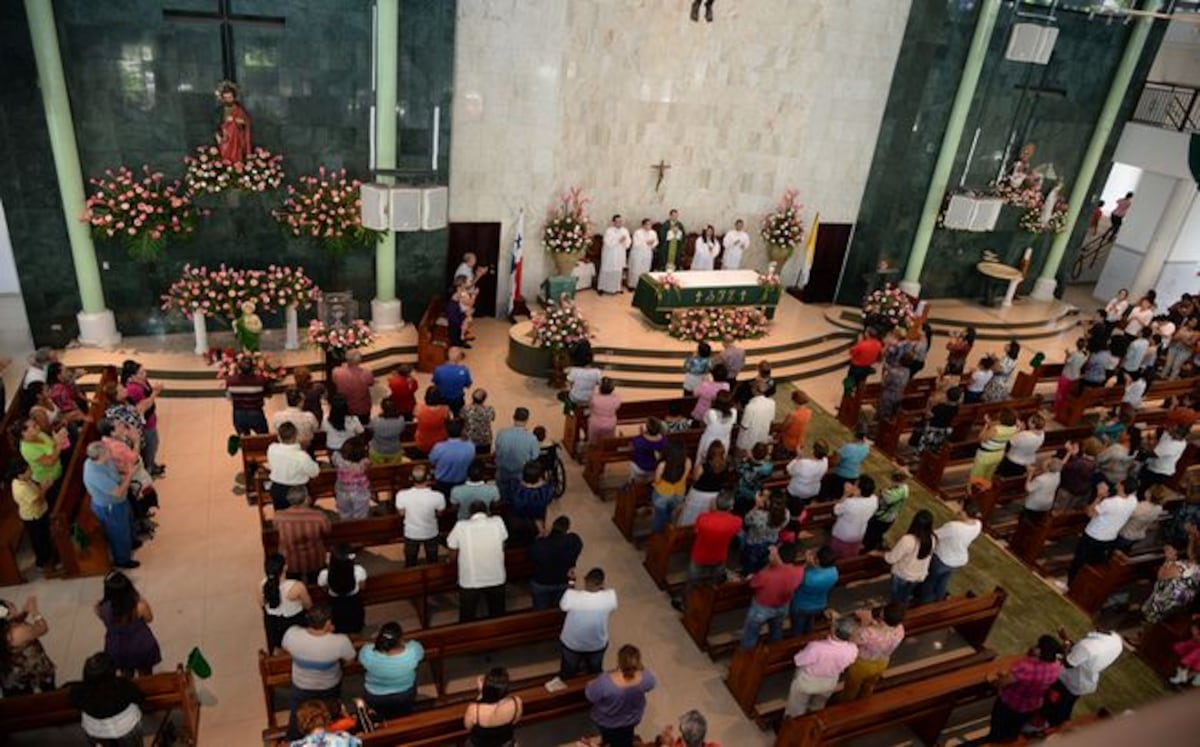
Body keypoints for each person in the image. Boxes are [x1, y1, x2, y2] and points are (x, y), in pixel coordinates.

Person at [282, 605, 356, 739]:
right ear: (328, 623)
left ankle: (294, 738)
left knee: (298, 716)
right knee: (330, 713)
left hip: (301, 685)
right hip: (329, 686)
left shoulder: (292, 633)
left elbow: (286, 648)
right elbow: (350, 660)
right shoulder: (340, 641)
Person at [980, 635, 1064, 743]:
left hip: (1010, 704)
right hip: (1031, 706)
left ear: (1041, 651)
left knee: (997, 731)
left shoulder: (1027, 666)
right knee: (1012, 731)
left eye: (1038, 645)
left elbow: (1003, 683)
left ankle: (991, 742)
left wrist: (993, 680)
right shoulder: (1057, 667)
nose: (1034, 646)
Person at [673, 494, 741, 611]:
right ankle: (704, 603)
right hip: (719, 556)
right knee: (712, 582)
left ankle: (684, 602)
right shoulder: (736, 521)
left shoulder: (704, 518)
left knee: (693, 581)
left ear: (715, 504)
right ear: (731, 507)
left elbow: (696, 531)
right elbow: (736, 533)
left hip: (700, 555)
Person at [1043, 628, 1123, 727]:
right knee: (1067, 704)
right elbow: (1080, 654)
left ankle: (1054, 725)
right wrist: (1066, 639)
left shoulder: (1087, 646)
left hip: (1072, 680)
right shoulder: (1117, 640)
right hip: (1086, 681)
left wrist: (1067, 643)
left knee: (1060, 705)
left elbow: (1068, 663)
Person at [784, 615, 858, 717]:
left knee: (796, 708)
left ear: (833, 629)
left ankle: (791, 727)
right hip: (828, 683)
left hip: (807, 682)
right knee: (817, 707)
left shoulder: (816, 647)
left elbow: (798, 661)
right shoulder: (853, 649)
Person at [1068, 477, 1139, 584]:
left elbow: (1090, 513)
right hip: (1109, 537)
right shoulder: (1133, 501)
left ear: (1121, 486)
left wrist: (1099, 497)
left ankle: (1070, 584)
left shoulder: (1110, 502)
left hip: (1094, 535)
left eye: (1120, 482)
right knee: (1093, 563)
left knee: (1079, 561)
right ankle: (1083, 585)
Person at [584, 644, 657, 747]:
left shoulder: (605, 682)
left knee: (609, 738)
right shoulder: (645, 678)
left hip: (608, 722)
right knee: (626, 736)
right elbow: (652, 684)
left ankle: (608, 743)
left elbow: (590, 695)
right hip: (631, 718)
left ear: (619, 662)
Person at [68, 652, 145, 747]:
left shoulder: (78, 691)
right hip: (126, 728)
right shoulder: (123, 686)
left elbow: (74, 702)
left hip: (96, 732)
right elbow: (140, 698)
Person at [448, 502, 509, 622]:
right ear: (487, 512)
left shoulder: (461, 526)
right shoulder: (498, 522)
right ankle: (498, 632)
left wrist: (452, 560)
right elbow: (503, 543)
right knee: (498, 613)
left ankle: (467, 635)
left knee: (467, 615)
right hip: (496, 576)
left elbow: (452, 547)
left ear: (470, 513)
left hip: (470, 580)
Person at [82, 442, 138, 569]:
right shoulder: (95, 473)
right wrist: (130, 474)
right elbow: (117, 492)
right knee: (118, 532)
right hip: (110, 506)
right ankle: (122, 560)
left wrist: (124, 470)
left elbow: (114, 470)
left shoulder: (102, 460)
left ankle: (132, 542)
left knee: (128, 521)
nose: (111, 451)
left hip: (120, 502)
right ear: (101, 456)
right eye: (108, 451)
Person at [95, 571, 161, 677]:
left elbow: (105, 620)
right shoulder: (139, 607)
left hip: (117, 646)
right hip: (141, 645)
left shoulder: (99, 607)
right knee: (145, 675)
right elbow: (149, 618)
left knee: (126, 674)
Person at [740, 545, 804, 649]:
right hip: (783, 606)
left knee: (751, 634)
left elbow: (753, 584)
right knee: (776, 631)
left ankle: (745, 657)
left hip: (762, 608)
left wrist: (769, 564)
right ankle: (774, 651)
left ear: (778, 556)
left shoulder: (765, 574)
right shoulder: (799, 571)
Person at [559, 567, 618, 679]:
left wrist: (571, 582)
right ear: (602, 584)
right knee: (595, 670)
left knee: (568, 671)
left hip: (572, 644)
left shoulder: (571, 596)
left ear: (585, 581)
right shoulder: (610, 597)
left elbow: (563, 606)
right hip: (596, 645)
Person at [918, 502, 982, 604]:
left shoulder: (954, 526)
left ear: (965, 513)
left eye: (961, 510)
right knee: (944, 580)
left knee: (930, 580)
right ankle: (939, 598)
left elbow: (936, 535)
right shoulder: (978, 524)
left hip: (943, 558)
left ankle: (925, 601)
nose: (958, 511)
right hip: (958, 559)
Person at [840, 603, 906, 701]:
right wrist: (871, 621)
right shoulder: (900, 630)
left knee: (851, 688)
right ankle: (864, 701)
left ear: (882, 614)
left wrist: (864, 623)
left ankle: (847, 707)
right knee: (869, 685)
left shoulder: (868, 633)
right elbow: (883, 630)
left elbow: (853, 640)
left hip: (862, 664)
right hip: (882, 662)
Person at [358, 622, 424, 719]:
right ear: (401, 639)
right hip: (405, 693)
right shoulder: (413, 649)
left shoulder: (367, 651)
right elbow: (420, 656)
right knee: (403, 715)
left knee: (379, 717)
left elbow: (361, 661)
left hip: (375, 696)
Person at [0, 595, 55, 694]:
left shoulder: (3, 628)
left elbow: (12, 620)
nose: (14, 606)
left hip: (9, 670)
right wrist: (34, 611)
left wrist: (25, 612)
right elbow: (42, 628)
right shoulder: (17, 632)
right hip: (28, 670)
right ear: (8, 613)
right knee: (46, 691)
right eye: (11, 605)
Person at [393, 464, 446, 566]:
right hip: (430, 531)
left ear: (411, 478)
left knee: (410, 561)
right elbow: (440, 513)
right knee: (433, 560)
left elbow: (401, 513)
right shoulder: (438, 496)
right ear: (428, 478)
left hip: (411, 532)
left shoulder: (401, 495)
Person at [274, 491, 332, 583]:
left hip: (290, 561)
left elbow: (276, 529)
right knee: (317, 580)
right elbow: (327, 531)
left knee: (293, 582)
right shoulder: (319, 516)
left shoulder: (279, 516)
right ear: (306, 499)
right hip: (315, 559)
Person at [8, 458, 56, 571]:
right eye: (28, 470)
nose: (31, 470)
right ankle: (42, 563)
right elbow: (38, 501)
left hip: (40, 512)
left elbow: (36, 491)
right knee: (39, 541)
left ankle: (49, 556)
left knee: (44, 536)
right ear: (20, 474)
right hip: (33, 517)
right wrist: (45, 488)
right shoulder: (21, 488)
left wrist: (42, 486)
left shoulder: (23, 479)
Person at [261, 552, 312, 653]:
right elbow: (309, 605)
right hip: (294, 623)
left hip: (273, 625)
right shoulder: (297, 586)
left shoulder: (261, 586)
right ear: (285, 568)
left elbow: (262, 605)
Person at [529, 516, 583, 609]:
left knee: (540, 609)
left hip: (541, 582)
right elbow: (577, 541)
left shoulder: (539, 545)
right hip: (563, 581)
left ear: (552, 528)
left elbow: (530, 555)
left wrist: (539, 537)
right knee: (559, 607)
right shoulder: (573, 542)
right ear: (567, 529)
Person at [883, 509, 935, 605]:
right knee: (906, 594)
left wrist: (882, 554)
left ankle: (895, 608)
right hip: (918, 575)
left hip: (902, 574)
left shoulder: (908, 540)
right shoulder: (933, 538)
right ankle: (903, 606)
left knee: (896, 596)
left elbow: (891, 559)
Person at [122, 362, 165, 477]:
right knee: (151, 445)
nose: (145, 374)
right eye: (141, 372)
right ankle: (149, 469)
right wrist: (155, 393)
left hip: (151, 419)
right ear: (132, 376)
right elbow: (142, 408)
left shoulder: (142, 381)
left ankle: (152, 464)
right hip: (145, 424)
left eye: (144, 371)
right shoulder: (133, 389)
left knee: (154, 444)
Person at [1143, 540, 1200, 623]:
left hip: (1167, 604)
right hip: (1182, 603)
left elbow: (1160, 576)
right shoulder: (1193, 567)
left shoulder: (1182, 567)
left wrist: (1168, 560)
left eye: (1167, 549)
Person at [268, 422, 321, 511]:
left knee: (281, 515)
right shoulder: (302, 456)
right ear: (295, 436)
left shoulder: (272, 448)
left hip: (277, 489)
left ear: (279, 436)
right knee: (301, 517)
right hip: (298, 491)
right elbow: (315, 473)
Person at [464, 667, 523, 746]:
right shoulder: (516, 702)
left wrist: (482, 693)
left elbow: (468, 727)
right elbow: (515, 721)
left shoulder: (474, 709)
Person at [679, 441, 731, 527]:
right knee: (706, 516)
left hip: (699, 494)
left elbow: (695, 478)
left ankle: (686, 529)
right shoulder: (726, 466)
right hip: (714, 496)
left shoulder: (703, 466)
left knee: (691, 515)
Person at [318, 544, 367, 635]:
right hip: (354, 604)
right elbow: (362, 587)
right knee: (355, 627)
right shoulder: (359, 571)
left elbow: (324, 589)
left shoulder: (324, 574)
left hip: (335, 606)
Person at [494, 407, 541, 500]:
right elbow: (535, 456)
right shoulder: (531, 438)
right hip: (520, 474)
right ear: (527, 420)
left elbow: (497, 448)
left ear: (513, 417)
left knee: (502, 495)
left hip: (503, 471)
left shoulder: (501, 433)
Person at [830, 475, 878, 559]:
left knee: (835, 554)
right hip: (859, 533)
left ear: (859, 490)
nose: (853, 486)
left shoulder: (850, 503)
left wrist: (845, 494)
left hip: (843, 534)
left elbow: (836, 511)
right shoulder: (874, 499)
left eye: (855, 485)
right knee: (850, 555)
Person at [862, 469, 909, 552]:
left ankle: (868, 549)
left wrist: (883, 492)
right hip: (892, 517)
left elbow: (886, 499)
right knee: (878, 533)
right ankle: (875, 544)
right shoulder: (905, 488)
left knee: (871, 534)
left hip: (883, 517)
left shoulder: (892, 494)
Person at [969, 409, 1018, 487]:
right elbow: (997, 426)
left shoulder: (996, 429)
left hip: (986, 454)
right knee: (988, 475)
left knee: (977, 475)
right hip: (999, 453)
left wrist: (986, 426)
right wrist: (989, 422)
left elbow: (981, 438)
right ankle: (984, 491)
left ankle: (971, 494)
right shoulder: (1014, 428)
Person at [650, 440, 692, 533]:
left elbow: (657, 480)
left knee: (659, 516)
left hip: (662, 493)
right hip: (679, 492)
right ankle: (667, 533)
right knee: (671, 513)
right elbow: (685, 476)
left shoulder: (663, 464)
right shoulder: (688, 461)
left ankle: (657, 536)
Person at [511, 460, 556, 542]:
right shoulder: (545, 492)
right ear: (539, 477)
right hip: (538, 518)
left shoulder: (516, 487)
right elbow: (550, 494)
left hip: (519, 519)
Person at [430, 420, 477, 497]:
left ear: (446, 432)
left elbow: (432, 461)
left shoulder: (439, 447)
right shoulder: (470, 446)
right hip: (462, 482)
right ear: (462, 431)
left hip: (442, 484)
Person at [1116, 486, 1167, 553]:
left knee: (1116, 551)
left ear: (1149, 494)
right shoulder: (1159, 508)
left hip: (1126, 534)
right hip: (1139, 534)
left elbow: (1124, 515)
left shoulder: (1140, 506)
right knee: (1126, 550)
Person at [694, 391, 736, 471]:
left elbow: (703, 423)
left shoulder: (711, 413)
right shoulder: (734, 412)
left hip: (709, 441)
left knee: (703, 461)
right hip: (724, 442)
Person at [1142, 425, 1189, 493]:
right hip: (1158, 466)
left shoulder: (1173, 445)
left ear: (1177, 435)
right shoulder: (1177, 438)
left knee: (1146, 488)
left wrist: (1148, 443)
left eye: (1173, 430)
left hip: (1159, 471)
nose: (1171, 430)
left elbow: (1153, 454)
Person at [997, 413, 1046, 478]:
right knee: (1017, 477)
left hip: (1014, 460)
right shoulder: (1042, 434)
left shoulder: (1024, 435)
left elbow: (1011, 440)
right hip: (1027, 460)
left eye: (1030, 421)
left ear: (1033, 425)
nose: (1028, 421)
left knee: (1006, 476)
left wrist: (1019, 428)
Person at [330, 350, 374, 420]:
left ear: (346, 359)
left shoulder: (336, 371)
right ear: (360, 361)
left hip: (343, 410)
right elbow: (371, 383)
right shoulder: (367, 373)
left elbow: (334, 381)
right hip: (362, 410)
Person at [829, 425, 870, 498]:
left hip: (841, 476)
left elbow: (835, 462)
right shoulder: (866, 447)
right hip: (854, 476)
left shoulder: (848, 447)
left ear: (855, 433)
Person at [734, 444, 774, 517]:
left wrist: (745, 459)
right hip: (756, 491)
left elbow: (738, 469)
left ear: (752, 452)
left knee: (739, 511)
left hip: (742, 492)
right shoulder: (768, 467)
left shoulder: (745, 465)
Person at [786, 440, 829, 509]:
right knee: (805, 504)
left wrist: (798, 457)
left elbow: (789, 469)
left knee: (791, 505)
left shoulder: (804, 463)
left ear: (813, 451)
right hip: (812, 491)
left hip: (796, 491)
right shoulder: (825, 462)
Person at [736, 380, 775, 455]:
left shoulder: (750, 407)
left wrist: (741, 413)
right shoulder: (772, 403)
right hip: (762, 438)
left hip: (748, 441)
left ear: (754, 390)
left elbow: (744, 426)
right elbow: (771, 421)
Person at [433, 347, 473, 416]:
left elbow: (436, 383)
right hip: (458, 399)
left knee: (443, 416)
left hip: (442, 399)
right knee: (458, 416)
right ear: (460, 357)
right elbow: (468, 385)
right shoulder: (464, 370)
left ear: (448, 355)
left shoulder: (438, 370)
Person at [691, 369, 733, 433]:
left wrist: (704, 381)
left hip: (702, 412)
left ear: (713, 375)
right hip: (718, 411)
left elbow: (695, 393)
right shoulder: (726, 386)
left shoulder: (705, 385)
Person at [598, 214, 632, 294]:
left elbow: (628, 242)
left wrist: (625, 242)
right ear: (613, 222)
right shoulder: (609, 231)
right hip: (610, 254)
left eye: (621, 221)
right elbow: (608, 242)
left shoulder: (625, 230)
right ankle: (602, 288)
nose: (619, 223)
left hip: (620, 254)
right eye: (617, 221)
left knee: (618, 271)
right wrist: (618, 241)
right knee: (607, 270)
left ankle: (617, 288)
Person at [414, 388, 451, 457]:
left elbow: (415, 417)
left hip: (423, 442)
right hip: (441, 441)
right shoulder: (445, 409)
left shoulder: (418, 408)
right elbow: (448, 420)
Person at [628, 418, 666, 485]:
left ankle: (632, 481)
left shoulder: (638, 440)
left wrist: (641, 434)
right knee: (649, 481)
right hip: (654, 468)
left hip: (639, 467)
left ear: (647, 428)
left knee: (636, 479)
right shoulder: (664, 440)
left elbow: (632, 450)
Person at [1056, 338, 1088, 412]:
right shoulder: (1084, 356)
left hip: (1067, 375)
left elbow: (1067, 362)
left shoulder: (1074, 354)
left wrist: (1067, 354)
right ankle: (1064, 408)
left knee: (1061, 394)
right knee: (1068, 394)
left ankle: (1058, 409)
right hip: (1075, 377)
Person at [778, 390, 812, 457]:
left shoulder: (793, 415)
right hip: (799, 441)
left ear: (794, 401)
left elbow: (783, 427)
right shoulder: (809, 412)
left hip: (787, 442)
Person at [461, 389, 496, 454]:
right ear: (484, 399)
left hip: (469, 439)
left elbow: (461, 419)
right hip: (485, 439)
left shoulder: (465, 409)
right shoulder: (490, 409)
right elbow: (493, 418)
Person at [627, 218, 658, 289]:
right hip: (638, 253)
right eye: (647, 224)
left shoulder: (653, 232)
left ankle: (643, 285)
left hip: (647, 253)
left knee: (645, 269)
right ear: (643, 225)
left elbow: (656, 242)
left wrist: (652, 244)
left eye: (650, 224)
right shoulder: (637, 232)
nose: (649, 226)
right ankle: (632, 285)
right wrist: (646, 243)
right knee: (635, 269)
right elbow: (636, 243)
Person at [588, 378, 622, 443]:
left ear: (600, 388)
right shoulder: (617, 398)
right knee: (607, 442)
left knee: (593, 442)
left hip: (595, 424)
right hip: (610, 424)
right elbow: (617, 407)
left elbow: (590, 406)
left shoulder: (594, 397)